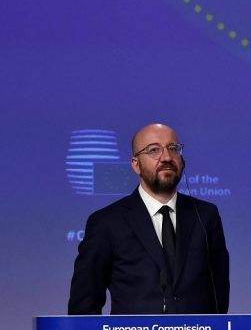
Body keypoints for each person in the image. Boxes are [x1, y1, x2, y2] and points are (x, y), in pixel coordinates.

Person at [68, 123, 229, 315]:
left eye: (173, 149)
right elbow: (84, 304)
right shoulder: (106, 223)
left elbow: (219, 294)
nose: (167, 158)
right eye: (154, 150)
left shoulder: (206, 216)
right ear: (136, 165)